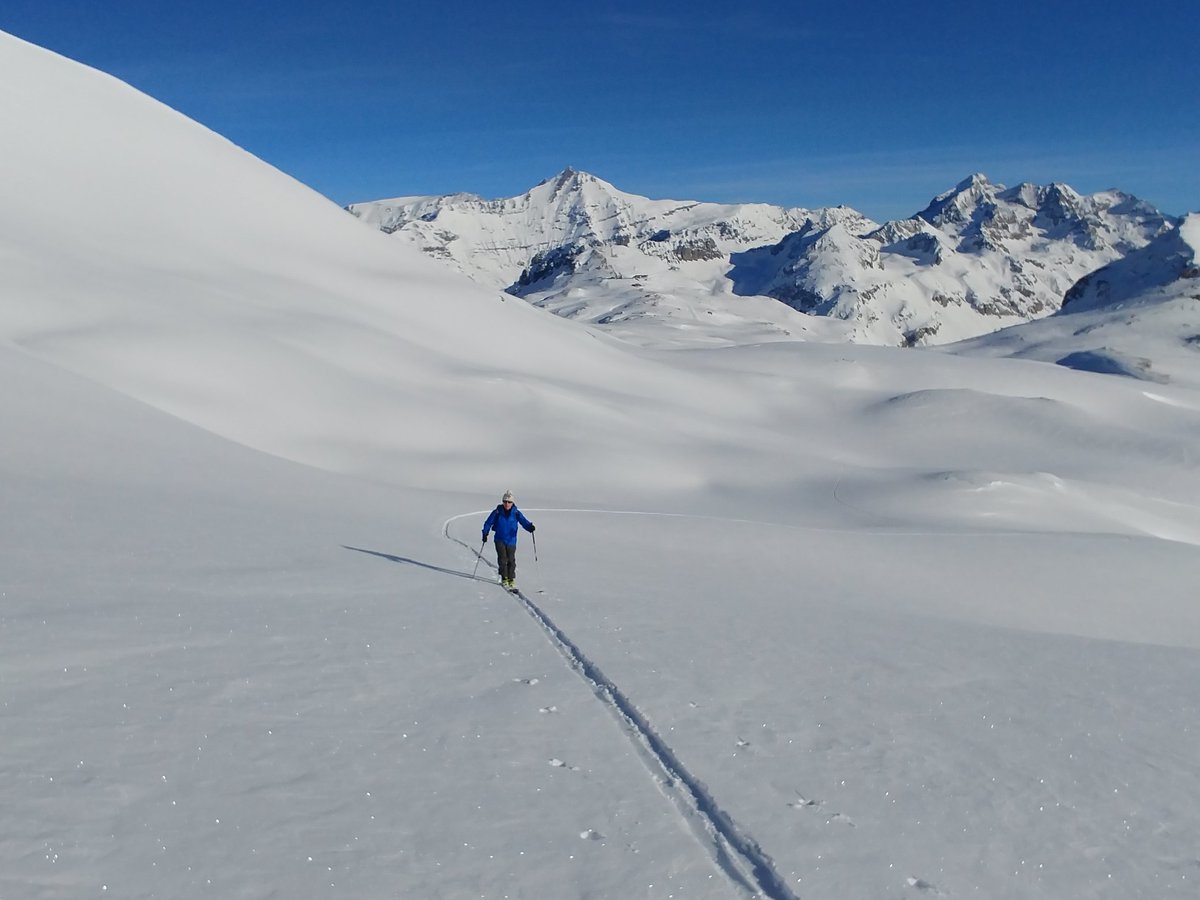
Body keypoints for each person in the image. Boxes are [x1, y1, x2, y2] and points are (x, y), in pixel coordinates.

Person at [482, 490, 535, 590]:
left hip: (511, 540)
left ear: (512, 503)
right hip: (499, 539)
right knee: (502, 559)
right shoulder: (497, 512)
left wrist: (530, 527)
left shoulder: (516, 513)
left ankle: (511, 579)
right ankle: (504, 578)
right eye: (505, 501)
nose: (507, 504)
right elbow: (488, 523)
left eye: (509, 502)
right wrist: (485, 533)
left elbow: (524, 522)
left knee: (511, 560)